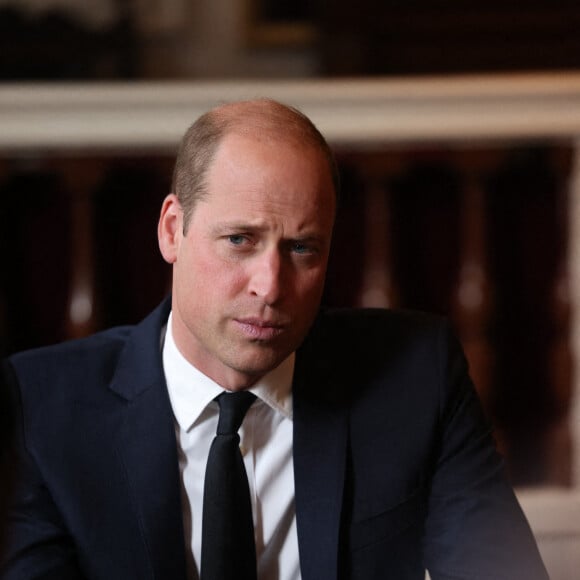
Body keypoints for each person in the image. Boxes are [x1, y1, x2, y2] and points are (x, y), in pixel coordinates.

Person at [1, 99, 548, 580]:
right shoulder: (41, 405)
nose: (270, 286)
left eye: (302, 248)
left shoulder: (417, 375)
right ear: (172, 229)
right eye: (240, 240)